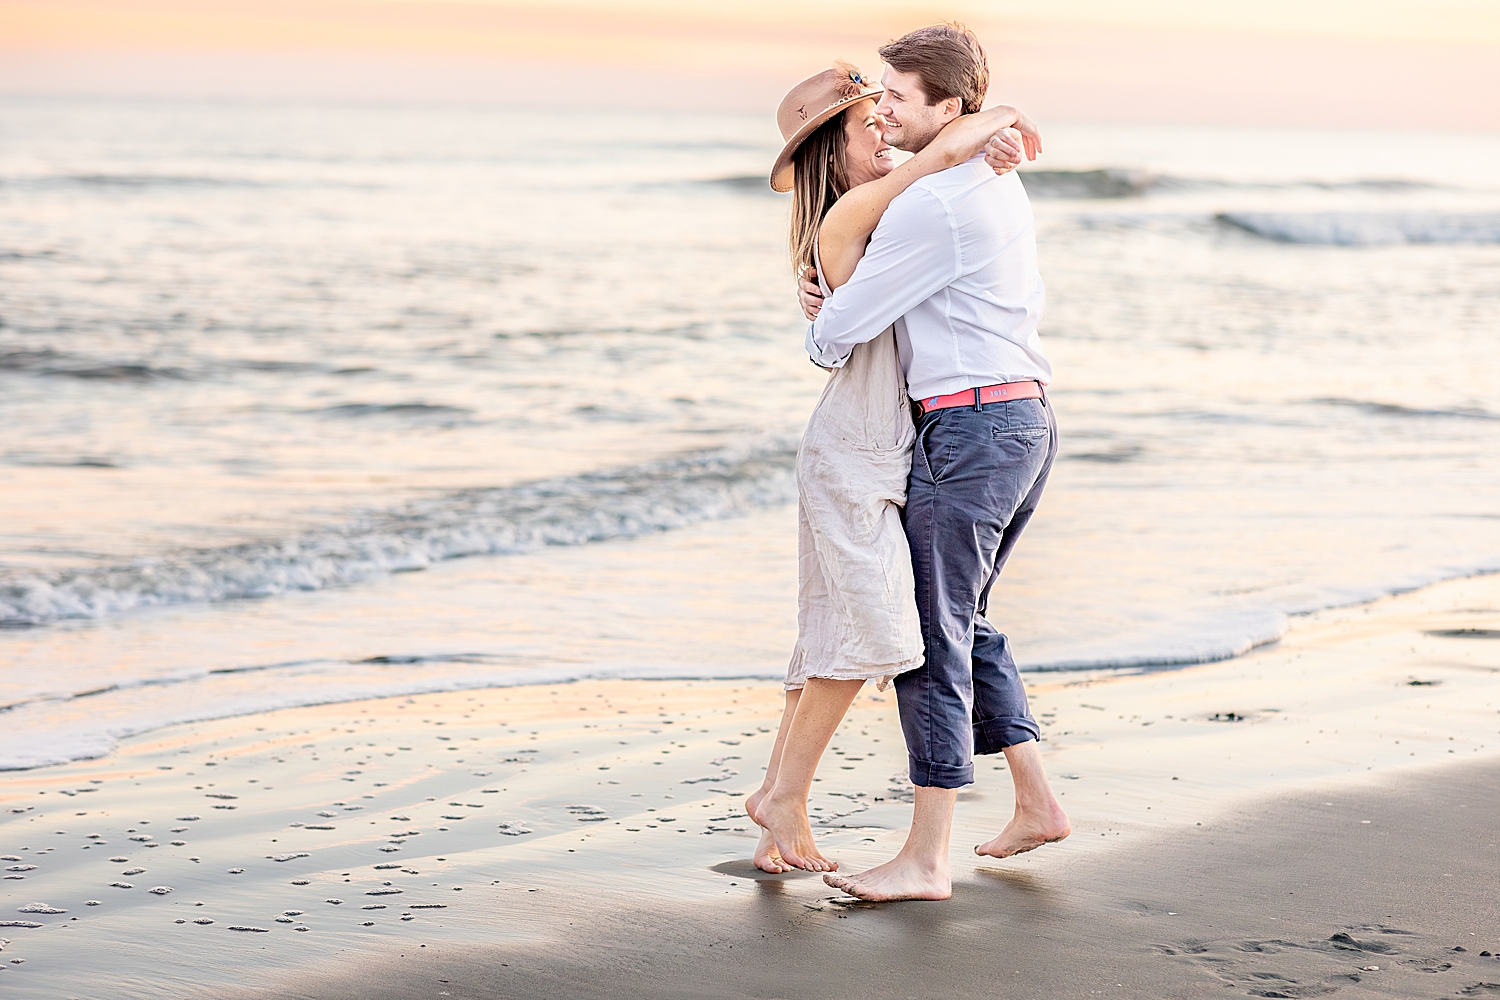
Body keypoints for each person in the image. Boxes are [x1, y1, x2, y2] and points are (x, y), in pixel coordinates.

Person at [745, 59, 1040, 874]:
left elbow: (946, 149)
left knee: (833, 635)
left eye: (884, 112)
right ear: (831, 152)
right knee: (874, 635)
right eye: (864, 123)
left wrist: (991, 124)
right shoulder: (855, 215)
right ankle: (785, 800)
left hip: (880, 449)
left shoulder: (893, 206)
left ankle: (778, 806)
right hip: (853, 456)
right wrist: (972, 134)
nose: (881, 129)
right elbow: (834, 335)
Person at [798, 24, 1071, 902]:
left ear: (948, 110)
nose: (881, 109)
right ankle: (1036, 800)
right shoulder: (986, 178)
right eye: (877, 94)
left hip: (971, 433)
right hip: (1017, 421)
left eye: (898, 97)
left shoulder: (935, 201)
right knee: (967, 618)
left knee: (929, 640)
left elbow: (835, 339)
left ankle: (926, 857)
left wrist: (826, 303)